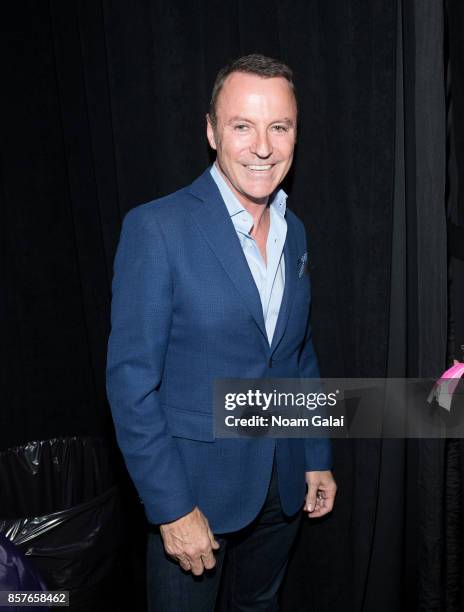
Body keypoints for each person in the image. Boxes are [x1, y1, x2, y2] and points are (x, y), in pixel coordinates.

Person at [106, 53, 337, 611]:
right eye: (242, 126)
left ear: (295, 133)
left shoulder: (295, 231)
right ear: (211, 132)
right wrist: (170, 508)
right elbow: (130, 385)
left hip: (280, 489)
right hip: (195, 500)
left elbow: (297, 353)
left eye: (278, 127)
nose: (263, 147)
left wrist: (315, 453)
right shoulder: (156, 228)